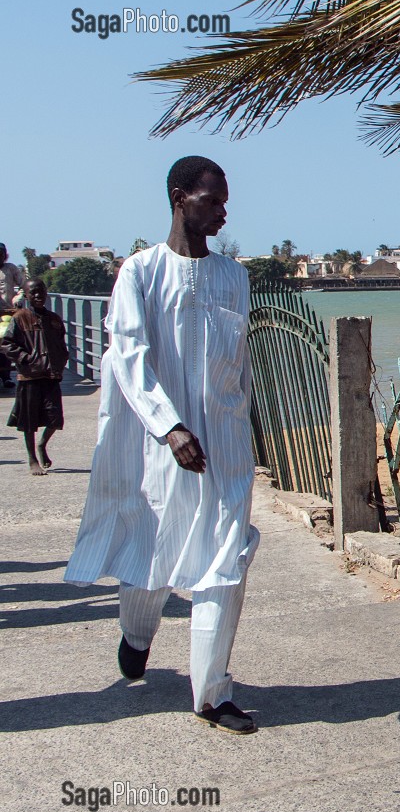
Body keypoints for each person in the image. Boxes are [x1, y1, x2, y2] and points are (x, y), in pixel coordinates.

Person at [65, 156, 261, 735]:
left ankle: (211, 693)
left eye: (225, 201)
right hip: (161, 443)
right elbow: (127, 354)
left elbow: (239, 364)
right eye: (212, 200)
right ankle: (137, 634)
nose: (223, 212)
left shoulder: (235, 276)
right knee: (153, 549)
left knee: (226, 558)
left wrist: (245, 433)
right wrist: (169, 426)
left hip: (223, 444)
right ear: (180, 197)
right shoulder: (140, 272)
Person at [0, 279, 68, 474]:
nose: (38, 296)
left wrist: (61, 361)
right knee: (29, 421)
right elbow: (7, 344)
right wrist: (26, 358)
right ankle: (32, 459)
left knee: (55, 418)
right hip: (30, 376)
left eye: (41, 292)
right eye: (33, 293)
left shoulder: (54, 319)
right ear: (27, 296)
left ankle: (42, 445)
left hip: (51, 375)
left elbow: (62, 345)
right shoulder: (20, 318)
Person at [0, 243, 26, 388]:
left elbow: (24, 284)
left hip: (8, 313)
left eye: (1, 253)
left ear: (5, 255)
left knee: (6, 343)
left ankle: (6, 377)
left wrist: (19, 297)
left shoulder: (10, 268)